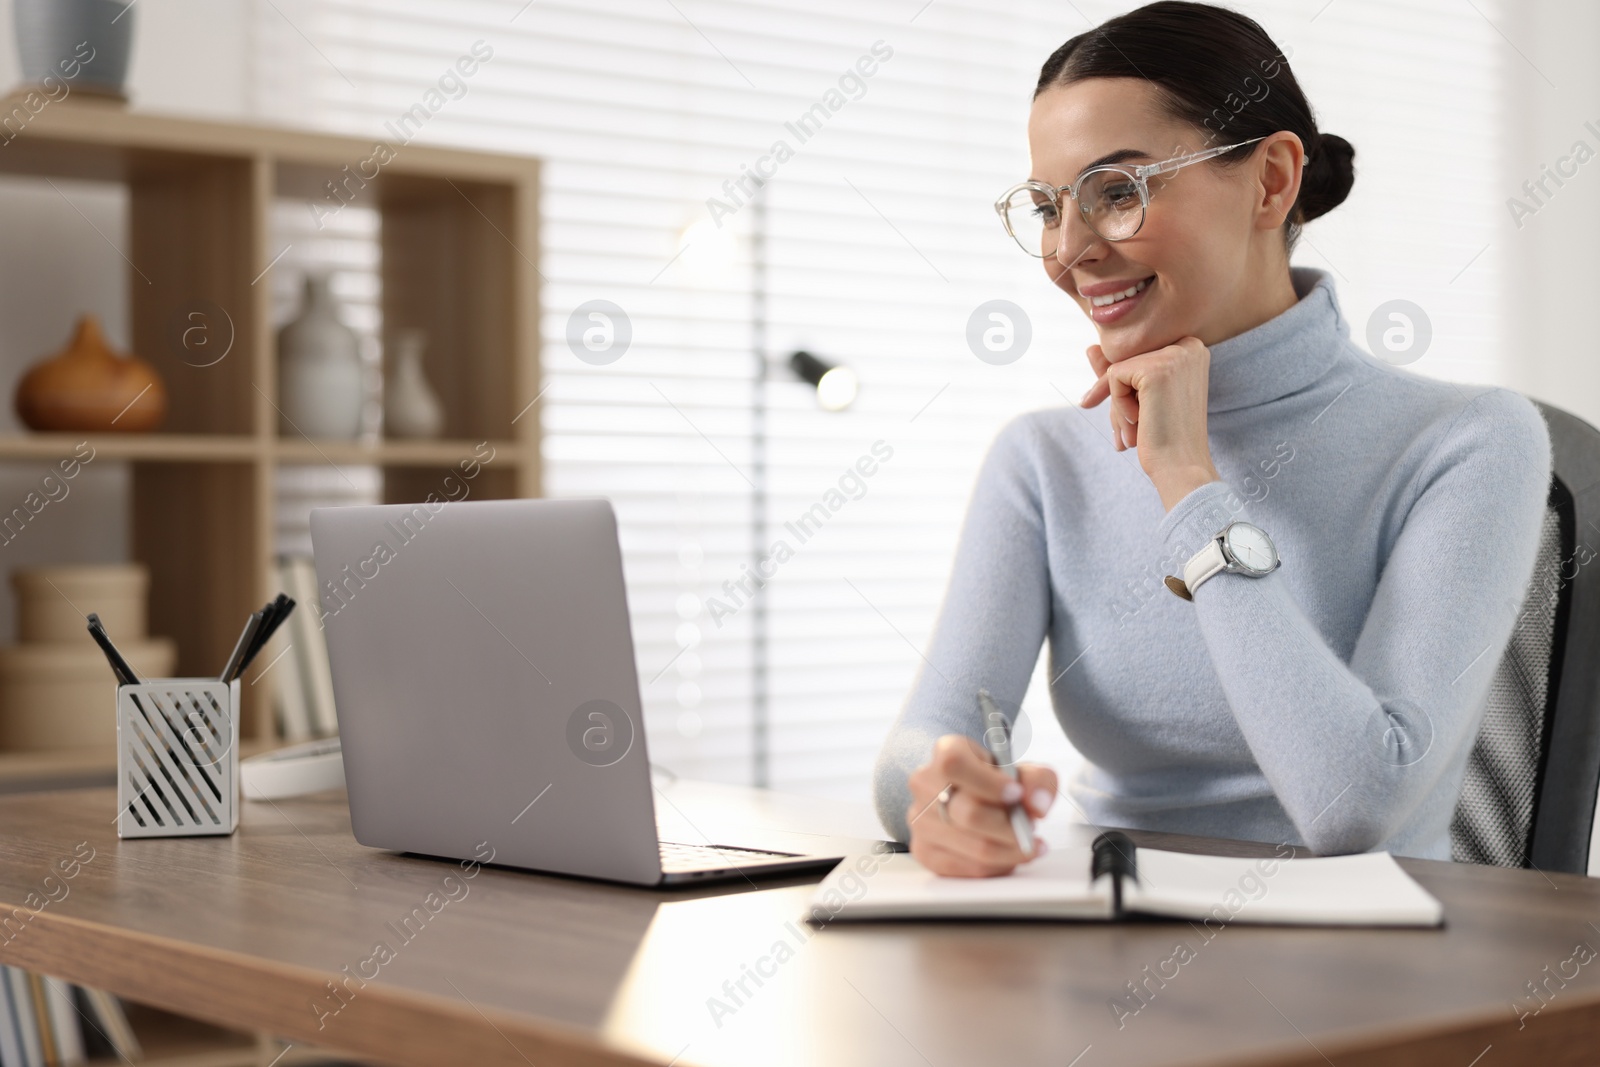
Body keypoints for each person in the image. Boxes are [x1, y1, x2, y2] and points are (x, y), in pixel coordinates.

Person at [872, 0, 1552, 877]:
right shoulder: (1043, 459)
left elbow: (1353, 810)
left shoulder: (1470, 441)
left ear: (1270, 181)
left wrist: (1190, 485)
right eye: (1048, 206)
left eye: (1117, 192)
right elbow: (921, 745)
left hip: (1361, 986)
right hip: (1097, 945)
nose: (1069, 250)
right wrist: (941, 796)